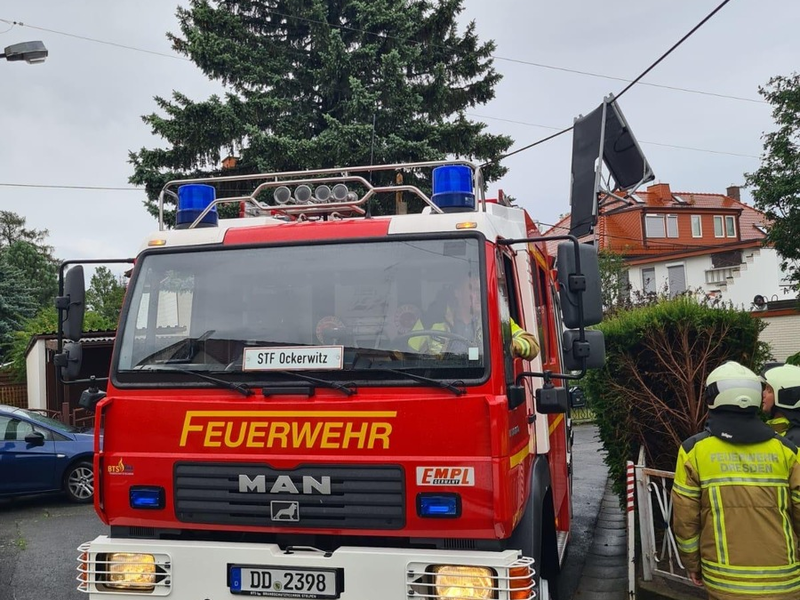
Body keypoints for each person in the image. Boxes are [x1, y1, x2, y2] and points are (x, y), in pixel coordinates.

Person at [672, 361, 800, 600]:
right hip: (785, 582)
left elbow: (685, 521)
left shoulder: (693, 452)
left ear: (712, 397)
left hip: (724, 582)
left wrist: (693, 564)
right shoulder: (789, 451)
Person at [407, 274, 539, 360]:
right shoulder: (430, 320)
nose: (479, 295)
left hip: (478, 385)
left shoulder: (496, 320)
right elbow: (406, 354)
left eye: (480, 290)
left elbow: (532, 344)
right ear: (457, 293)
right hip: (437, 386)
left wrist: (511, 345)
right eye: (474, 290)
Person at [763, 363, 800, 444]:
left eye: (769, 390)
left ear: (785, 395)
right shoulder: (778, 429)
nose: (763, 394)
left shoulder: (796, 438)